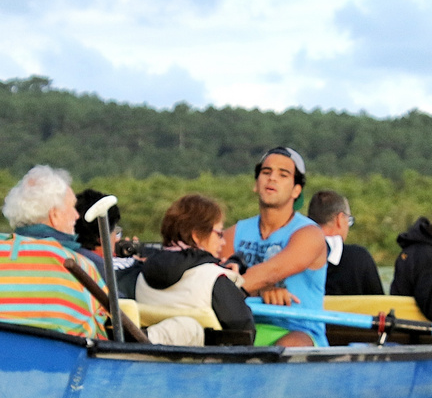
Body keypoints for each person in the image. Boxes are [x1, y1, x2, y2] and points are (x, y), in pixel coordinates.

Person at [222, 146, 327, 346]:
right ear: (256, 184)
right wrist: (260, 291)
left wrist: (230, 289)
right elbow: (213, 276)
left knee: (294, 344)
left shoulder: (310, 234)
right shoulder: (234, 233)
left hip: (299, 333)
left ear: (296, 190)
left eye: (283, 174)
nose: (272, 178)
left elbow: (271, 272)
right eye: (266, 172)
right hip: (244, 330)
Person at [135, 194, 255, 345]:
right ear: (197, 236)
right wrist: (233, 289)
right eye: (219, 234)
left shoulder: (141, 275)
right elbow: (245, 332)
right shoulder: (214, 279)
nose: (223, 242)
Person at [308, 189, 383, 296]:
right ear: (339, 219)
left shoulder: (294, 252)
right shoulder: (359, 258)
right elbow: (379, 304)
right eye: (348, 220)